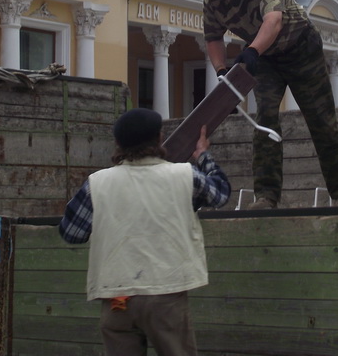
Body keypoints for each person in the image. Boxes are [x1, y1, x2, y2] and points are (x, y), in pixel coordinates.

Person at [196, 0, 338, 209]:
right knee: (265, 120)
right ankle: (266, 197)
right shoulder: (212, 0)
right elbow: (213, 38)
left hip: (301, 48)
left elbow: (273, 21)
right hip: (266, 60)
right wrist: (220, 70)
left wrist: (251, 51)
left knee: (322, 121)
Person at [58, 108, 230, 356]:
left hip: (117, 298)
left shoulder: (97, 183)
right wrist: (203, 155)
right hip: (166, 294)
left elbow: (71, 232)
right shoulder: (183, 175)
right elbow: (221, 193)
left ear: (118, 144)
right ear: (160, 138)